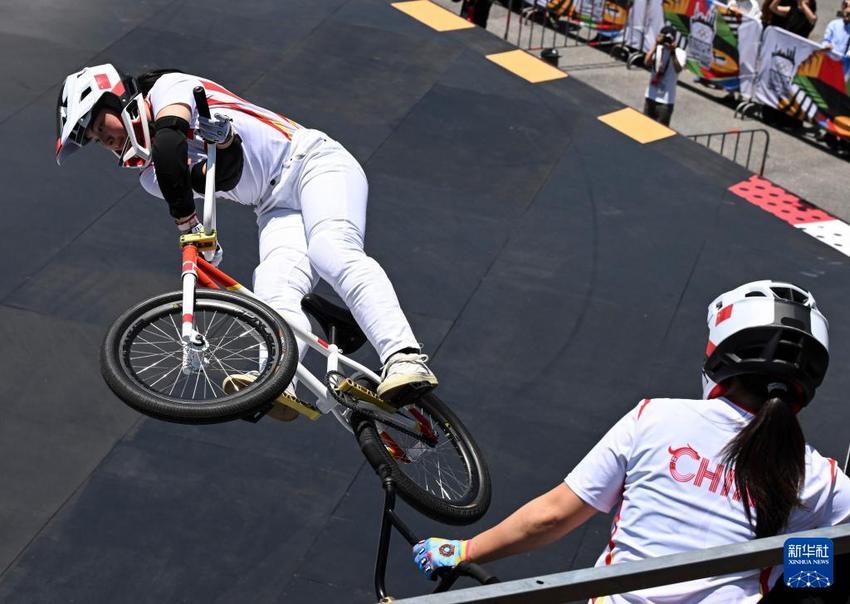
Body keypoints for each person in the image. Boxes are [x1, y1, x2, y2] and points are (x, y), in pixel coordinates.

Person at [413, 280, 850, 602]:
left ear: (720, 353)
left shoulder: (655, 418)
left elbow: (551, 518)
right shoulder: (824, 481)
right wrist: (790, 559)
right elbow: (822, 572)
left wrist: (462, 550)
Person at [55, 64, 438, 406]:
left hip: (313, 164)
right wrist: (200, 227)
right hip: (274, 205)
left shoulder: (169, 89)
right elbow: (222, 177)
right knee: (272, 286)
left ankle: (403, 356)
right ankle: (278, 378)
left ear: (116, 98)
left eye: (99, 127)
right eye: (94, 141)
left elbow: (171, 144)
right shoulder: (151, 177)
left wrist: (188, 213)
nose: (104, 142)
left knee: (331, 248)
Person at [643, 25, 687, 127]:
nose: (666, 41)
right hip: (650, 96)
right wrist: (655, 44)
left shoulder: (680, 53)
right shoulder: (657, 48)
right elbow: (646, 62)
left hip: (665, 102)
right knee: (644, 127)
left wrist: (672, 52)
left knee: (660, 131)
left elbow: (678, 69)